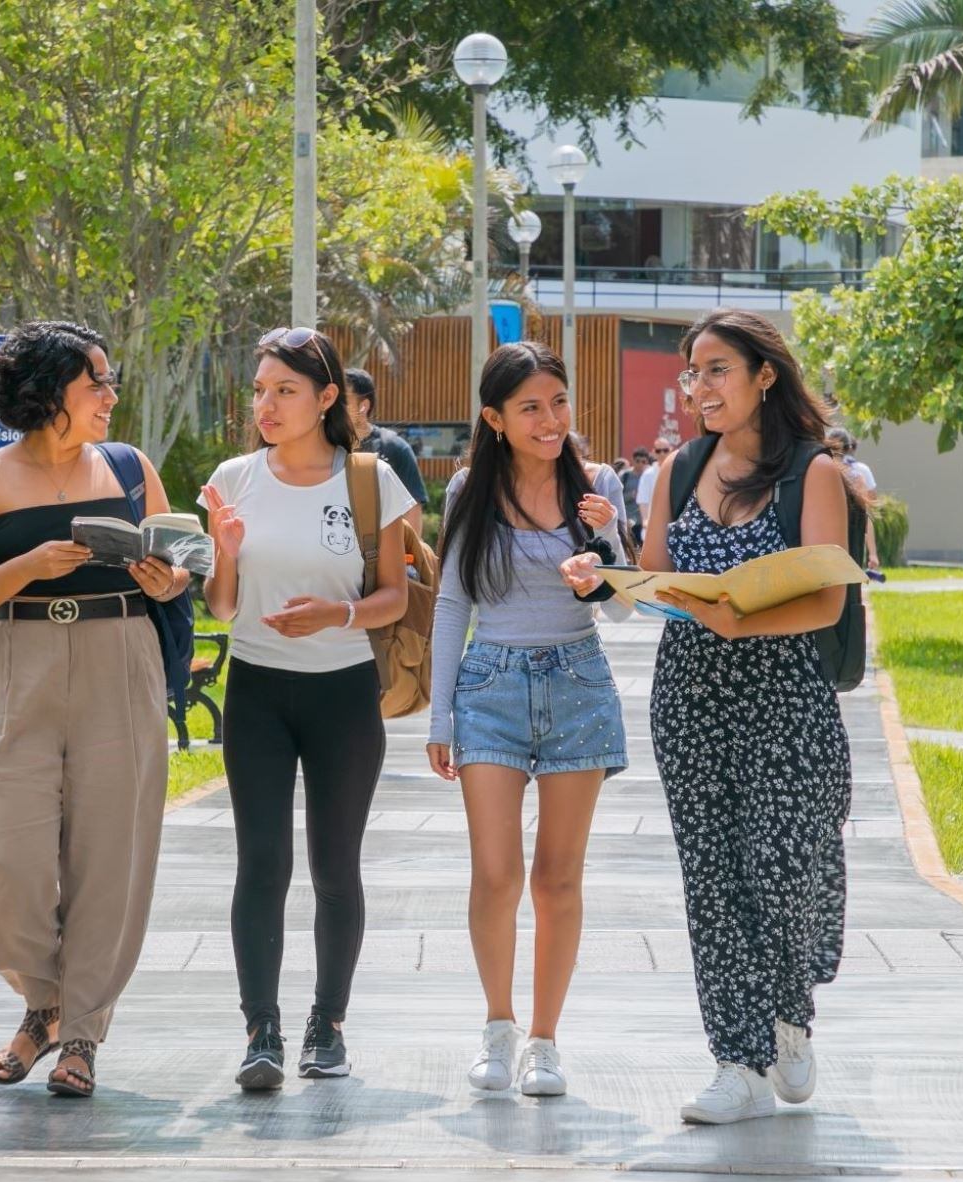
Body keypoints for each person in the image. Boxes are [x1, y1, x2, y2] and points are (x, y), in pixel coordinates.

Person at [0, 320, 189, 1099]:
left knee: (112, 855)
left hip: (122, 656)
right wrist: (28, 565)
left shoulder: (129, 467)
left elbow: (180, 572)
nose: (111, 396)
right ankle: (41, 1002)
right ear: (49, 395)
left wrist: (165, 580)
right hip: (21, 663)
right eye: (95, 383)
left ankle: (78, 1032)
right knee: (1, 857)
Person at [636, 308, 855, 1126]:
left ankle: (789, 1014)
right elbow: (657, 574)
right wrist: (610, 572)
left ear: (765, 375)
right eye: (693, 373)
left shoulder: (813, 474)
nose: (701, 388)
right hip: (691, 699)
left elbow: (828, 599)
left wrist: (743, 621)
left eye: (717, 369)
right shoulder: (678, 467)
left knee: (785, 867)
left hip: (786, 702)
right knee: (714, 881)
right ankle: (738, 1061)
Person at [201, 328, 415, 1090]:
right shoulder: (234, 478)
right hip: (256, 690)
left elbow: (394, 595)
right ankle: (261, 1029)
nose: (266, 404)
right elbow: (223, 609)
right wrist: (224, 549)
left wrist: (337, 616)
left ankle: (329, 1026)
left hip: (343, 693)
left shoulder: (369, 479)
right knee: (262, 862)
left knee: (334, 867)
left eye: (284, 390)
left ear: (326, 398)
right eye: (260, 390)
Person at [425, 341, 631, 1099]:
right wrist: (440, 712)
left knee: (557, 878)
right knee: (497, 873)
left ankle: (545, 1041)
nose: (551, 421)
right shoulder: (470, 489)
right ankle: (497, 1025)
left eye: (559, 402)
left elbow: (626, 603)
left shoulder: (598, 485)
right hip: (491, 685)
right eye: (531, 408)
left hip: (578, 679)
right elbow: (453, 602)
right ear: (495, 418)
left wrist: (603, 555)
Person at [345, 367, 429, 518]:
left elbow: (412, 509)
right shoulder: (326, 448)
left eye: (343, 401)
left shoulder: (395, 448)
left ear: (363, 406)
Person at [827, 428, 882, 573]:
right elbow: (867, 515)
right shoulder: (859, 474)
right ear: (850, 448)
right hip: (852, 543)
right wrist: (873, 553)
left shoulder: (818, 473)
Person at [635, 437, 674, 539]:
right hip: (652, 529)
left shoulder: (678, 471)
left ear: (671, 450)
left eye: (665, 450)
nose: (662, 453)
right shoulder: (648, 474)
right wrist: (645, 520)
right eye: (658, 451)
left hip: (675, 528)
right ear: (653, 452)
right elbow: (643, 500)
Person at [624, 447, 651, 545]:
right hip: (629, 520)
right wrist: (631, 495)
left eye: (643, 461)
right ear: (633, 460)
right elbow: (617, 497)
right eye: (637, 461)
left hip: (646, 521)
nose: (640, 464)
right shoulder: (625, 475)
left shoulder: (650, 476)